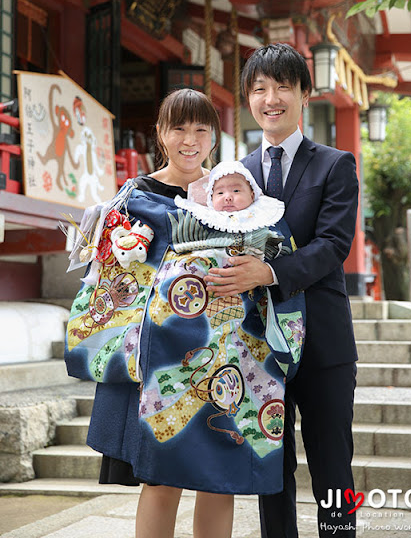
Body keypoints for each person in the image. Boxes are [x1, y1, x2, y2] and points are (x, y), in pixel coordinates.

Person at [64, 88, 303, 538]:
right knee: (159, 478)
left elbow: (271, 255)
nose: (190, 139)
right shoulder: (135, 197)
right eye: (178, 127)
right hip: (160, 361)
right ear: (160, 133)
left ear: (215, 135)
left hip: (227, 359)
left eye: (201, 128)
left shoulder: (233, 196)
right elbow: (113, 279)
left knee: (220, 477)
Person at [204, 43, 359, 538]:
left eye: (283, 87)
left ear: (304, 95)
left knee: (333, 466)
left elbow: (334, 243)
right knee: (271, 470)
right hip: (256, 343)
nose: (271, 98)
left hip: (323, 343)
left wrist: (268, 273)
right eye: (259, 89)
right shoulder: (235, 174)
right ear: (249, 99)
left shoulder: (335, 164)